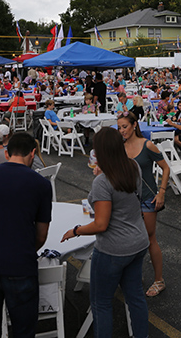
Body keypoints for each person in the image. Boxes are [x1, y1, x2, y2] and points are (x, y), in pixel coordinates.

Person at [61, 127, 149, 337]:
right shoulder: (133, 166)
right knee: (135, 296)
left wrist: (76, 230)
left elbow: (101, 224)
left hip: (113, 248)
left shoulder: (102, 182)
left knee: (101, 302)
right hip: (138, 241)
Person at [0, 132, 52, 338]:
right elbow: (41, 235)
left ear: (6, 153)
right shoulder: (41, 184)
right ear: (33, 153)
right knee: (24, 331)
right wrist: (21, 247)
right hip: (20, 265)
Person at [117, 112, 169, 297]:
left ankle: (159, 280)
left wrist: (161, 192)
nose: (122, 130)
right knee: (131, 239)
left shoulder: (147, 145)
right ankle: (134, 275)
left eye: (125, 126)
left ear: (134, 125)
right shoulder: (120, 148)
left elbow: (165, 167)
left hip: (148, 198)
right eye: (120, 127)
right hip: (128, 200)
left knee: (149, 238)